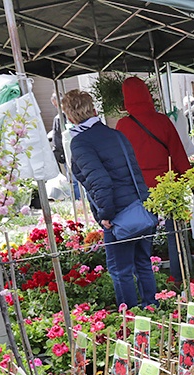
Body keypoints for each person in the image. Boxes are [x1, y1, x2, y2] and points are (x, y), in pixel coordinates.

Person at [61, 90, 158, 309]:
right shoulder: (115, 134)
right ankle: (152, 307)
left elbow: (99, 181)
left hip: (118, 213)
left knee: (120, 269)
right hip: (141, 207)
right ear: (93, 109)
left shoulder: (80, 143)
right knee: (142, 262)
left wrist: (105, 214)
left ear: (69, 116)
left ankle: (130, 316)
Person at [117, 77, 193, 286]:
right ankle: (178, 275)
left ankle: (144, 277)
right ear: (148, 96)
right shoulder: (162, 121)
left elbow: (121, 160)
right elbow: (178, 153)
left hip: (139, 186)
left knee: (143, 233)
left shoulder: (123, 125)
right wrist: (190, 180)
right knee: (174, 232)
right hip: (168, 182)